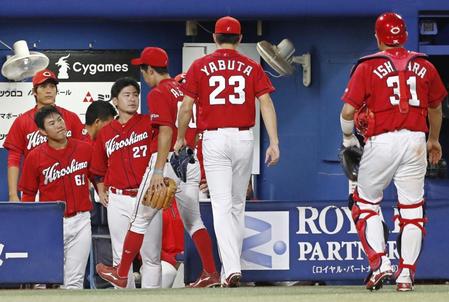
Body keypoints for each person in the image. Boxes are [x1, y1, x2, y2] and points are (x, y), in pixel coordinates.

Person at [96, 47, 220, 288]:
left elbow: (165, 131)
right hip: (189, 158)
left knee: (140, 219)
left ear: (149, 70)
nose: (144, 75)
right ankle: (211, 272)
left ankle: (121, 274)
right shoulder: (184, 88)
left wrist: (158, 170)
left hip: (169, 158)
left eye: (144, 69)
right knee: (194, 221)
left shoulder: (158, 92)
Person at [340, 12, 447, 292]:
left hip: (382, 141)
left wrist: (348, 138)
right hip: (415, 140)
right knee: (412, 210)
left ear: (377, 37)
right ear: (406, 36)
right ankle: (406, 276)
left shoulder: (367, 65)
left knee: (363, 202)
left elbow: (348, 111)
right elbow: (436, 109)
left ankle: (380, 264)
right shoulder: (425, 65)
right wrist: (433, 140)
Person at [174, 16, 280, 287]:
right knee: (237, 206)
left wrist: (179, 139)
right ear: (241, 39)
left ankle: (231, 268)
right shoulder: (251, 65)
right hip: (244, 138)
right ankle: (232, 267)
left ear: (214, 38)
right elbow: (266, 102)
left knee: (221, 205)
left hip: (214, 138)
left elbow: (186, 107)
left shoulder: (200, 65)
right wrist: (275, 142)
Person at [90, 77, 162, 289]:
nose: (132, 99)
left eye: (135, 94)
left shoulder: (150, 123)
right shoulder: (106, 132)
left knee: (151, 256)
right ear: (115, 101)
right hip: (119, 198)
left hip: (148, 196)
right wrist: (101, 189)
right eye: (127, 95)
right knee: (120, 257)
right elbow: (97, 168)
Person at [18, 105, 93, 289]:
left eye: (59, 120)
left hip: (81, 220)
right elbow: (27, 193)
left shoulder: (85, 149)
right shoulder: (35, 157)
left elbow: (98, 176)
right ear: (42, 131)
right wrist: (31, 225)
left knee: (74, 282)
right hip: (50, 223)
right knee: (40, 281)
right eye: (51, 123)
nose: (59, 125)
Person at [4, 69, 86, 202]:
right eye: (43, 86)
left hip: (69, 182)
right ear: (34, 92)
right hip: (37, 186)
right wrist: (13, 194)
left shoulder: (71, 118)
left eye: (52, 86)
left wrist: (86, 184)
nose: (49, 90)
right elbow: (13, 158)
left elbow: (84, 153)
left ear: (56, 90)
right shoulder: (23, 121)